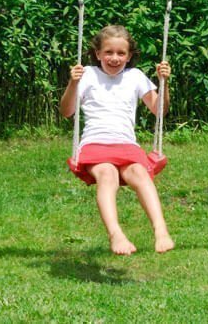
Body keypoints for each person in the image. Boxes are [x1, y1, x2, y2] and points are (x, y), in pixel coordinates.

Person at [60, 24, 175, 255]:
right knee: (108, 174)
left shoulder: (135, 77)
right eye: (109, 52)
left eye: (121, 53)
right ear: (98, 53)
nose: (115, 58)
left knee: (141, 174)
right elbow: (66, 111)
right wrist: (73, 83)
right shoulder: (88, 75)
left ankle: (160, 229)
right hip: (95, 144)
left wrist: (164, 83)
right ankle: (116, 234)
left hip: (127, 146)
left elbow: (159, 111)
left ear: (129, 55)